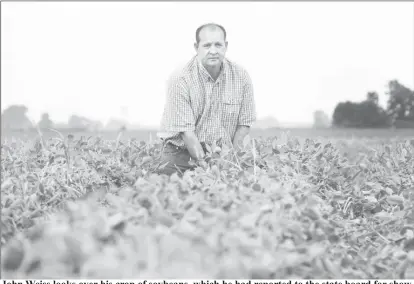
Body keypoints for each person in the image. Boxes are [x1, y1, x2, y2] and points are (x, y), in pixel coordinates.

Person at [156, 23, 257, 176]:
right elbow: (187, 133)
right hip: (181, 152)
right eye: (207, 45)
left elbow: (244, 125)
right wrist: (207, 169)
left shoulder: (241, 76)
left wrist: (231, 161)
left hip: (224, 153)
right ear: (196, 47)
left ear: (226, 46)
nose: (213, 51)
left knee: (253, 179)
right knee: (169, 188)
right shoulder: (180, 78)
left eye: (218, 45)